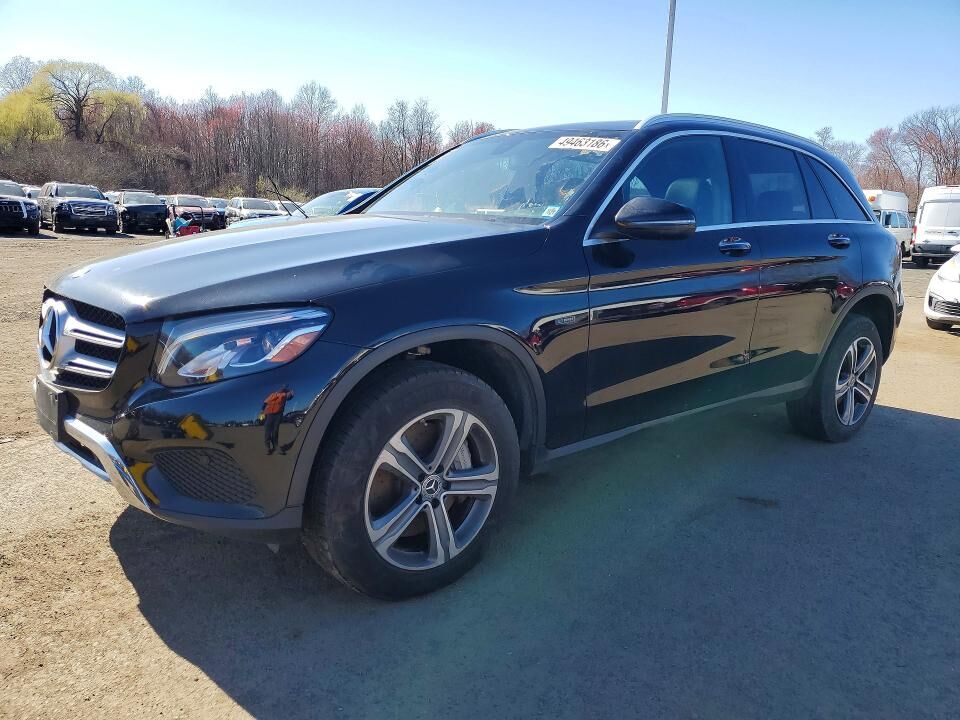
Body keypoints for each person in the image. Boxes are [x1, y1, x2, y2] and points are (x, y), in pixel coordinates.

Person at [261, 386, 294, 454]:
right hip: (269, 415)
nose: (281, 388)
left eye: (283, 388)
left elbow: (289, 397)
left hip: (278, 415)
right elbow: (266, 402)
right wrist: (262, 411)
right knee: (267, 431)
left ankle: (276, 446)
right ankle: (268, 447)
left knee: (275, 431)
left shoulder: (285, 395)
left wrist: (291, 393)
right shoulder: (273, 394)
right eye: (281, 387)